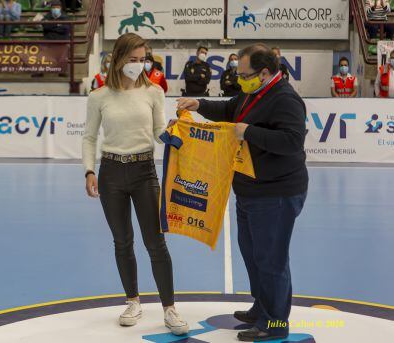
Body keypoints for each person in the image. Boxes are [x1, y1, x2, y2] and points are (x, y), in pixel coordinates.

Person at [177, 43, 308, 342]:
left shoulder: (285, 99)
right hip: (250, 191)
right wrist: (198, 105)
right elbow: (229, 108)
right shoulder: (253, 93)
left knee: (271, 259)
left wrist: (248, 132)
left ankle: (275, 323)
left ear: (264, 73)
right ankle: (261, 307)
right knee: (252, 254)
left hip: (276, 193)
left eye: (245, 74)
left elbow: (292, 141)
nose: (240, 79)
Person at [82, 32, 189, 336]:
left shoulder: (154, 92)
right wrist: (89, 171)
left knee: (156, 243)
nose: (138, 65)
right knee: (122, 241)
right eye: (132, 60)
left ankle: (170, 308)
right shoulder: (98, 97)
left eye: (142, 60)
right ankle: (133, 301)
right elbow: (89, 137)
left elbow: (158, 131)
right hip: (111, 173)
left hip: (144, 172)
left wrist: (170, 132)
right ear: (117, 59)